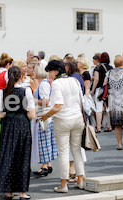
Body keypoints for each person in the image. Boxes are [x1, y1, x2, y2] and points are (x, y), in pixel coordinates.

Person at [41, 60, 85, 193]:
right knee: (76, 150)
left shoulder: (56, 83)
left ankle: (63, 184)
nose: (49, 74)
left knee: (64, 152)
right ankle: (80, 181)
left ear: (56, 71)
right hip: (77, 118)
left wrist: (46, 116)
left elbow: (58, 105)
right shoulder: (75, 80)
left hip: (63, 120)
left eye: (50, 71)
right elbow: (81, 100)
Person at [0, 66, 35, 200]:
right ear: (21, 77)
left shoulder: (3, 92)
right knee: (22, 157)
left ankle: (8, 192)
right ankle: (23, 192)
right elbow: (32, 114)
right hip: (22, 124)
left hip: (8, 125)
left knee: (8, 156)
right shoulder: (26, 91)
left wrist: (8, 113)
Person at [32, 63, 58, 177]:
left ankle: (44, 166)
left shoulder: (43, 84)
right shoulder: (47, 83)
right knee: (47, 141)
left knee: (43, 141)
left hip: (43, 115)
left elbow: (45, 101)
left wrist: (32, 99)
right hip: (48, 115)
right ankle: (48, 164)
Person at [91, 52, 113, 133]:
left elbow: (96, 79)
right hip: (108, 89)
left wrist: (92, 90)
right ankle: (109, 126)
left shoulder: (98, 67)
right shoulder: (111, 67)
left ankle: (99, 127)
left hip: (100, 89)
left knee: (99, 108)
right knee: (108, 109)